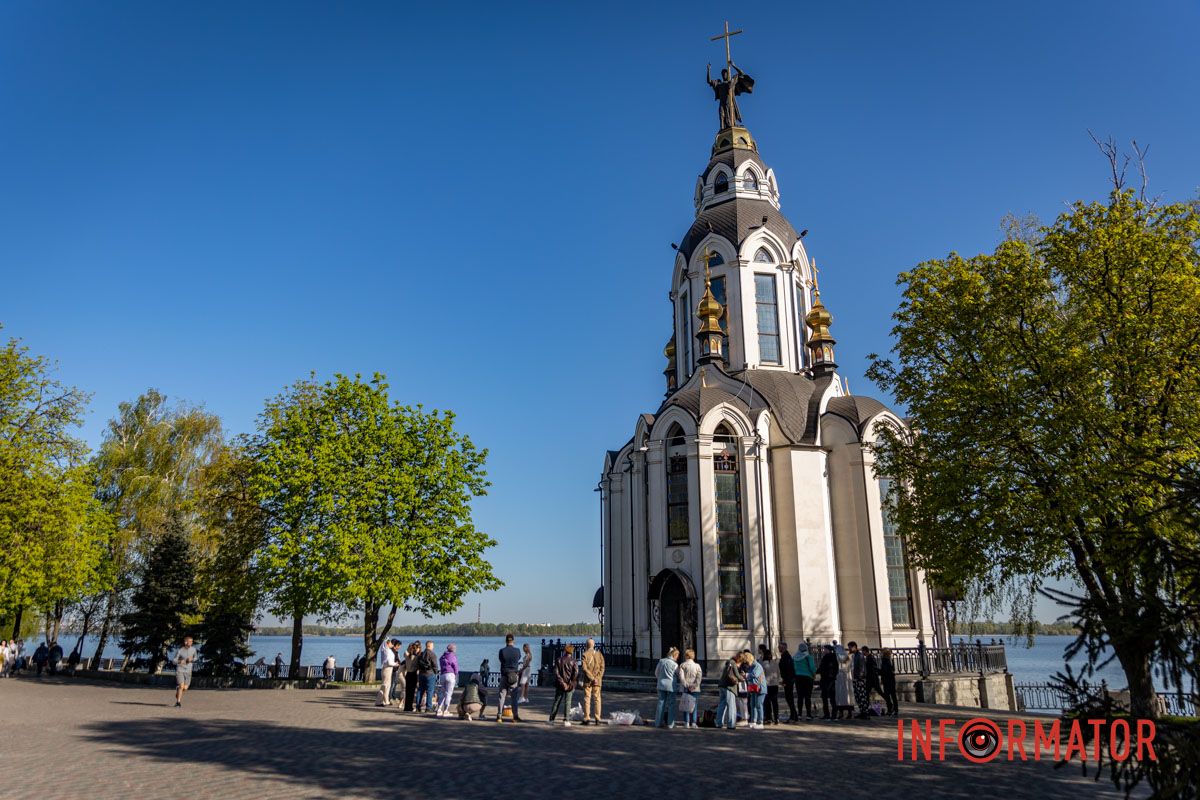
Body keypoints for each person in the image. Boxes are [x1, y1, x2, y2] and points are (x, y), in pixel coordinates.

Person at [548, 643, 578, 726]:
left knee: (556, 702)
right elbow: (575, 674)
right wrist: (570, 683)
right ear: (571, 652)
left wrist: (562, 683)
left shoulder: (559, 660)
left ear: (565, 650)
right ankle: (566, 720)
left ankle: (551, 719)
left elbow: (556, 673)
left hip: (560, 685)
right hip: (570, 685)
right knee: (568, 702)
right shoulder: (574, 661)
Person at [496, 634, 523, 722]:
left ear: (506, 641)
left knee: (502, 696)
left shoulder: (502, 651)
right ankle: (515, 716)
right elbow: (518, 658)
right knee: (514, 697)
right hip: (514, 676)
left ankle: (499, 716)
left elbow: (501, 660)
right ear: (513, 641)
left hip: (504, 675)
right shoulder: (517, 651)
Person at [675, 649, 703, 728]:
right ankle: (694, 722)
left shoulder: (682, 665)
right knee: (694, 705)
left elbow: (681, 678)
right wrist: (694, 686)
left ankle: (686, 722)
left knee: (686, 704)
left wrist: (687, 685)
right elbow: (699, 678)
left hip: (685, 688)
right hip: (695, 689)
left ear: (686, 656)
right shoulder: (697, 666)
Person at [580, 638, 605, 725]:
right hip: (597, 682)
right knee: (597, 699)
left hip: (588, 681)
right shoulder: (599, 654)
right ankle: (598, 718)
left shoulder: (585, 655)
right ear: (593, 645)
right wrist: (597, 678)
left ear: (586, 645)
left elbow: (584, 668)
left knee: (587, 699)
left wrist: (591, 678)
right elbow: (602, 668)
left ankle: (587, 718)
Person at [654, 647, 680, 728]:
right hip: (671, 686)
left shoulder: (661, 661)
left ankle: (658, 723)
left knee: (661, 703)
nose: (678, 657)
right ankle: (670, 723)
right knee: (671, 704)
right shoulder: (675, 665)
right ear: (674, 655)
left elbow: (656, 673)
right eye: (677, 655)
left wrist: (660, 678)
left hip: (661, 684)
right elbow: (678, 674)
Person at [714, 652, 741, 730]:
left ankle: (719, 723)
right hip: (729, 687)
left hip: (722, 685)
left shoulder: (728, 662)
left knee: (722, 705)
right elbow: (737, 676)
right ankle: (731, 724)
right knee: (731, 706)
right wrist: (743, 678)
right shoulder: (733, 664)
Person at [793, 642, 816, 721]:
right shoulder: (808, 657)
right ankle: (808, 715)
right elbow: (812, 667)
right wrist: (814, 674)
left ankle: (799, 714)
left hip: (798, 678)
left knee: (800, 697)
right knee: (807, 697)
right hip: (807, 678)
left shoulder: (795, 657)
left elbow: (793, 667)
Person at [173, 635, 197, 708]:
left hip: (188, 671)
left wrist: (192, 659)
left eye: (192, 641)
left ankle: (178, 691)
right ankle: (178, 702)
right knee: (181, 686)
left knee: (185, 688)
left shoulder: (193, 649)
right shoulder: (180, 650)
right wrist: (180, 661)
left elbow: (196, 657)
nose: (191, 643)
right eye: (190, 641)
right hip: (180, 670)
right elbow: (174, 661)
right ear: (185, 642)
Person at [758, 644, 780, 724]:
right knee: (775, 702)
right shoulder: (775, 663)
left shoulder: (763, 664)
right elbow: (778, 673)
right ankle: (776, 718)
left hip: (767, 685)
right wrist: (778, 681)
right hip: (775, 685)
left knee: (767, 702)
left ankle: (769, 718)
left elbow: (762, 674)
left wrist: (760, 683)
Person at [816, 644, 839, 720]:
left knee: (827, 697)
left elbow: (826, 668)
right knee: (829, 698)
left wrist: (831, 675)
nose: (823, 651)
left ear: (828, 650)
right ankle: (831, 714)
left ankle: (830, 714)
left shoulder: (829, 657)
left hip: (828, 679)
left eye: (824, 649)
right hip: (829, 679)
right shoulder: (831, 657)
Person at [849, 641, 870, 719]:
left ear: (854, 647)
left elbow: (862, 667)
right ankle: (862, 711)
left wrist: (860, 677)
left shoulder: (859, 655)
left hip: (859, 679)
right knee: (858, 696)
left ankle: (865, 712)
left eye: (850, 647)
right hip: (855, 678)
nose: (849, 649)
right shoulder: (854, 655)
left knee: (862, 696)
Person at [416, 640, 439, 713]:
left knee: (420, 690)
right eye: (432, 645)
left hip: (421, 674)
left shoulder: (421, 654)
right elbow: (435, 665)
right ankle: (428, 707)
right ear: (430, 646)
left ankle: (418, 706)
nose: (433, 647)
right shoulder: (432, 654)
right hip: (430, 674)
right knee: (430, 691)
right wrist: (435, 672)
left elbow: (418, 664)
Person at [436, 644, 459, 718]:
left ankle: (439, 709)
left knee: (442, 693)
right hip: (450, 675)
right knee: (448, 694)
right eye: (455, 648)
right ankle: (446, 710)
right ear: (453, 649)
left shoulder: (443, 656)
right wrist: (456, 674)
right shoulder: (452, 656)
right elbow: (455, 666)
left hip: (442, 675)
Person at [745, 651, 765, 729]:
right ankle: (754, 721)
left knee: (759, 705)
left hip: (760, 688)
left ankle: (760, 722)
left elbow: (755, 675)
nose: (746, 664)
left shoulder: (757, 666)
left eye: (746, 662)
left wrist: (746, 675)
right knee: (752, 704)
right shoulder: (751, 666)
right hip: (753, 688)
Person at [778, 643, 797, 721]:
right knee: (789, 697)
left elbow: (787, 669)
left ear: (784, 648)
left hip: (788, 679)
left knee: (789, 697)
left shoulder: (786, 656)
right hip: (788, 679)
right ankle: (793, 715)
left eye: (780, 647)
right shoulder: (785, 656)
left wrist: (785, 680)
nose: (778, 648)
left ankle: (794, 715)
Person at [863, 646, 884, 713]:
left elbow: (873, 667)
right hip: (871, 678)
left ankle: (889, 702)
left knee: (879, 691)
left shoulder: (870, 658)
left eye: (863, 651)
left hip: (872, 678)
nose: (862, 652)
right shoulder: (868, 657)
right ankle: (866, 707)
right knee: (867, 692)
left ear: (865, 651)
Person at [377, 639, 398, 707]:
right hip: (387, 669)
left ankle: (383, 700)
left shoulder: (386, 650)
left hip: (387, 668)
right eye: (391, 643)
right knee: (385, 685)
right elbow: (389, 662)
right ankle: (382, 701)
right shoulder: (387, 651)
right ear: (387, 644)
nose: (392, 644)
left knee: (386, 686)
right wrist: (395, 664)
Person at [879, 647, 899, 716]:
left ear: (884, 654)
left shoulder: (885, 661)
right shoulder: (889, 660)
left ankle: (890, 710)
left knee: (888, 696)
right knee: (893, 696)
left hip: (887, 680)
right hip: (891, 680)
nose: (880, 654)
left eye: (881, 653)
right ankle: (895, 710)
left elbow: (884, 671)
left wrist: (878, 671)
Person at [835, 646, 853, 720]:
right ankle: (849, 713)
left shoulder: (837, 656)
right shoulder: (848, 657)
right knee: (847, 695)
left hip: (839, 677)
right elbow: (851, 667)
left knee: (840, 695)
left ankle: (841, 713)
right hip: (847, 677)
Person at [403, 641, 421, 711]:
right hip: (413, 674)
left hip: (408, 674)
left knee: (408, 691)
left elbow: (405, 652)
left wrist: (409, 647)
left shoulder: (407, 656)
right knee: (412, 691)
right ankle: (410, 706)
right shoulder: (415, 657)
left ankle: (406, 706)